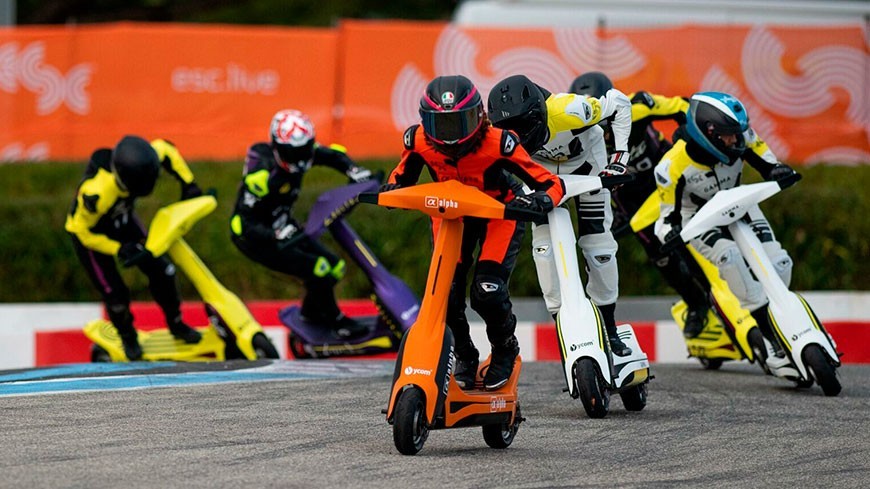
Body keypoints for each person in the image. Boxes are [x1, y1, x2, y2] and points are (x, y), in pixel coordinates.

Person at [384, 75, 565, 390]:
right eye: (442, 125)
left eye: (459, 123)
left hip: (499, 215)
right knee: (446, 295)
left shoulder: (500, 142)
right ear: (426, 123)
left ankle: (505, 349)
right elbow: (400, 178)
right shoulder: (418, 142)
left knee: (487, 291)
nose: (451, 136)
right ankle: (465, 355)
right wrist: (390, 193)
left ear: (479, 116)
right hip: (451, 218)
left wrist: (541, 199)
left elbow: (550, 182)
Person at [487, 74, 634, 357]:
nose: (517, 137)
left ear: (540, 113)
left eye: (523, 127)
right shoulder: (496, 135)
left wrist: (619, 158)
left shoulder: (569, 109)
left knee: (599, 247)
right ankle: (563, 328)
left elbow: (619, 102)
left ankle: (610, 328)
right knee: (543, 250)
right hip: (540, 175)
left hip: (588, 166)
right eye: (509, 131)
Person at [653, 91, 797, 357]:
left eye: (738, 132)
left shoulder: (742, 139)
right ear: (707, 132)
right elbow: (664, 220)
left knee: (781, 262)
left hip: (740, 205)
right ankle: (769, 338)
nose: (736, 139)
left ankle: (784, 318)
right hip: (698, 217)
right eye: (728, 134)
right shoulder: (670, 167)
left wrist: (779, 171)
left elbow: (770, 165)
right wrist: (669, 234)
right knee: (729, 258)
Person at [569, 72, 710, 338]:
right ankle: (697, 305)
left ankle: (722, 290)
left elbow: (683, 106)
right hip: (633, 205)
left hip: (669, 184)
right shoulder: (576, 134)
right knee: (662, 254)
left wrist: (686, 136)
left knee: (695, 236)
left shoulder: (638, 106)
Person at [229, 109, 374, 340]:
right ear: (277, 147)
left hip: (285, 226)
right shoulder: (262, 174)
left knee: (334, 267)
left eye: (305, 150)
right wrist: (275, 234)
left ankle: (310, 316)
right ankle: (338, 323)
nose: (300, 159)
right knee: (319, 268)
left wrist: (354, 171)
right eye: (292, 153)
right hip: (256, 239)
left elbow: (331, 155)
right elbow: (242, 225)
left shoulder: (304, 154)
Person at [65, 135, 205, 361]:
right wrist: (118, 248)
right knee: (115, 292)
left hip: (123, 218)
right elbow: (80, 230)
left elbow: (168, 150)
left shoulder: (146, 159)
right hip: (93, 236)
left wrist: (189, 184)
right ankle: (128, 336)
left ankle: (176, 324)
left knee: (163, 270)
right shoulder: (97, 193)